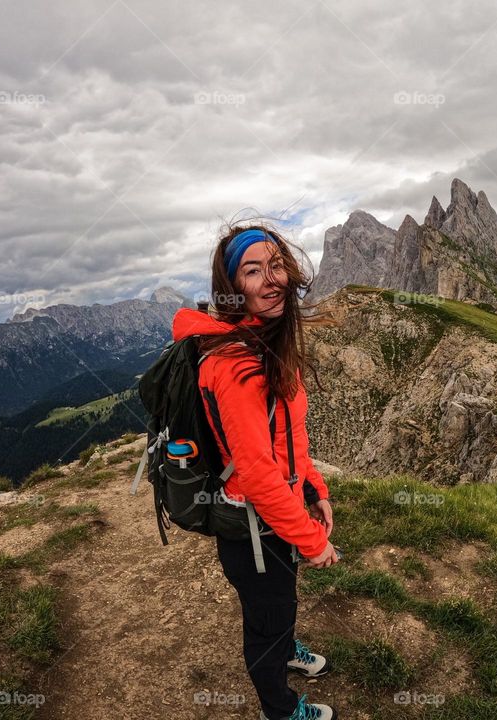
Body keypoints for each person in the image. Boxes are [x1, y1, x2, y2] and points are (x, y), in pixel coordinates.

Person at [171, 223, 339, 720]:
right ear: (231, 288)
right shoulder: (236, 365)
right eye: (252, 271)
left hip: (272, 517)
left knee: (279, 603)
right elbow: (260, 474)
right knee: (265, 619)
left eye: (276, 264)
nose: (273, 279)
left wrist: (314, 487)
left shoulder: (265, 344)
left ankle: (286, 647)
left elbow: (287, 437)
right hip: (251, 526)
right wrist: (313, 542)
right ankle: (280, 709)